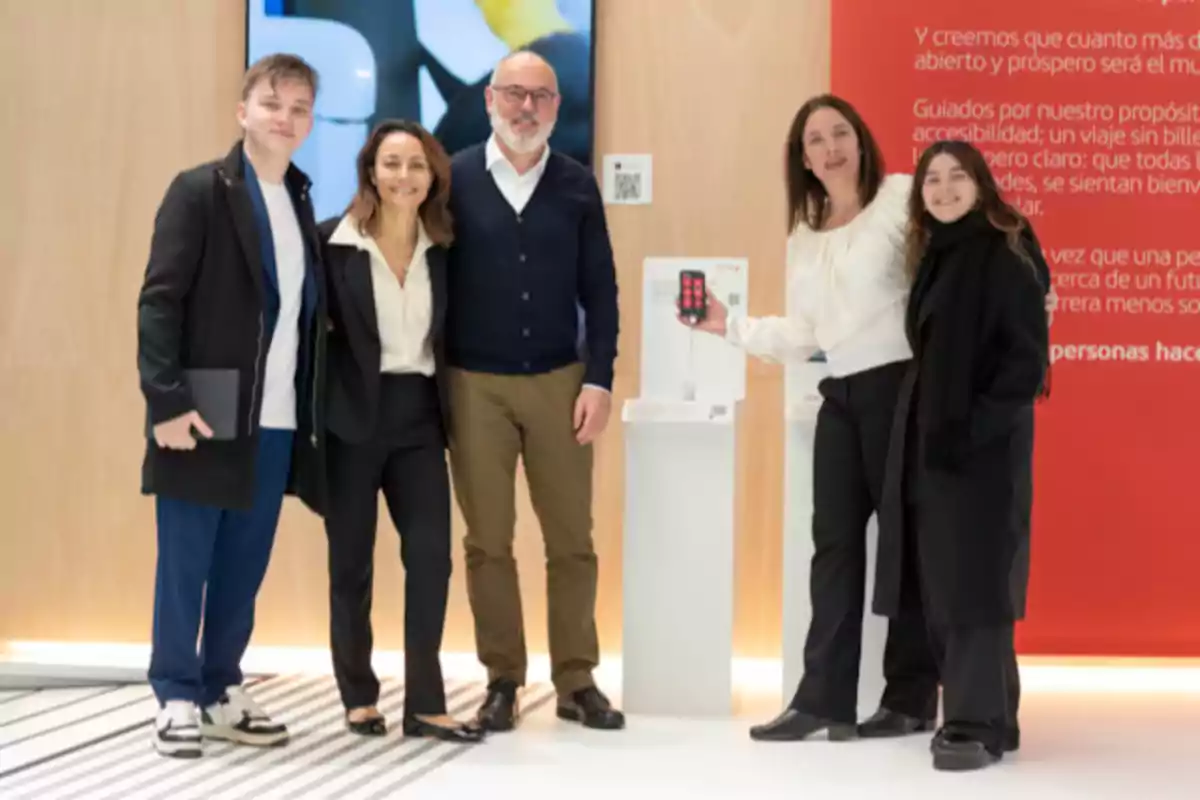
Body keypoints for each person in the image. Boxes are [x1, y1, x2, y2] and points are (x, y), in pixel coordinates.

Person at [683, 94, 940, 741]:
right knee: (833, 549)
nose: (830, 148)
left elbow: (953, 273)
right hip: (842, 394)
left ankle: (909, 698)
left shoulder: (903, 199)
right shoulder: (804, 232)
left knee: (908, 547)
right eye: (815, 141)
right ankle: (822, 698)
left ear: (861, 139)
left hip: (903, 387)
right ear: (802, 159)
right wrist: (728, 325)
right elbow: (804, 332)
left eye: (840, 133)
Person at [136, 53, 326, 758]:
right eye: (273, 103)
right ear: (242, 111)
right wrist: (166, 400)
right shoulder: (199, 192)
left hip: (274, 418)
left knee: (243, 568)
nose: (286, 117)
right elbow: (159, 304)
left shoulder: (302, 199)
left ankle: (220, 688)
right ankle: (176, 694)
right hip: (205, 405)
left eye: (300, 108)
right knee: (186, 560)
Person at [444, 50, 623, 731]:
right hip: (472, 386)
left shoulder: (577, 185)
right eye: (514, 94)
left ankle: (577, 680)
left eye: (540, 97)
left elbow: (600, 291)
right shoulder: (452, 177)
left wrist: (599, 378)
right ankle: (502, 679)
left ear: (556, 107)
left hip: (560, 383)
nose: (526, 108)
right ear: (490, 99)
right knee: (488, 541)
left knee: (571, 539)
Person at [873, 140, 1049, 771]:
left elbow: (1025, 360)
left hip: (980, 445)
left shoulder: (1005, 251)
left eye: (957, 178)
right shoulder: (939, 256)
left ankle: (975, 723)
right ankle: (996, 708)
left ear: (981, 185)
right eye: (931, 182)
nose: (943, 190)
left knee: (973, 578)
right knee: (948, 576)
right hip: (937, 438)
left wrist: (975, 431)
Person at [317, 119, 482, 744]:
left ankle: (426, 703)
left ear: (432, 175)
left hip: (419, 419)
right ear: (370, 172)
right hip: (351, 420)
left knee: (431, 560)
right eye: (390, 164)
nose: (403, 176)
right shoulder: (332, 243)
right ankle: (358, 697)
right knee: (352, 565)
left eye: (415, 165)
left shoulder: (447, 247)